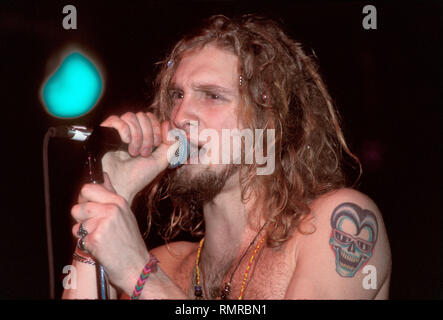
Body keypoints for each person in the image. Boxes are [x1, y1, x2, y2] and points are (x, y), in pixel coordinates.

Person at [62, 14, 391, 300]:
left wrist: (138, 272)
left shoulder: (336, 222)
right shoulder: (169, 262)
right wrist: (105, 201)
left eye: (212, 96)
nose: (180, 116)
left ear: (268, 118)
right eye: (177, 95)